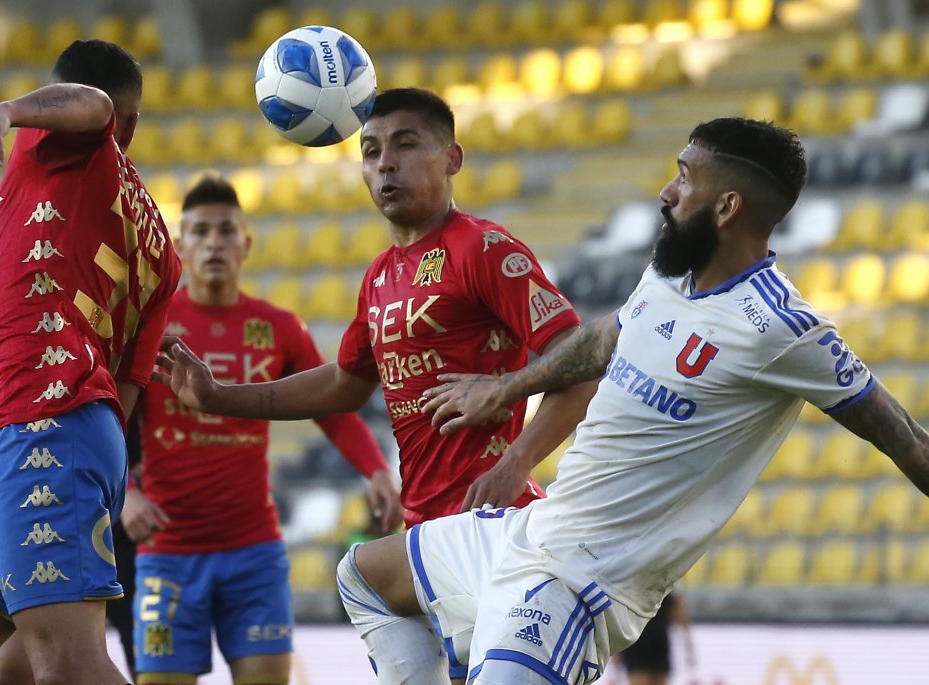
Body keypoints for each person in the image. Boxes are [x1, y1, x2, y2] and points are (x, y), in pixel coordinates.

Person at [314, 117, 929, 685]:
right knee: (364, 576)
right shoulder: (670, 277)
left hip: (578, 584)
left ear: (726, 205)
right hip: (523, 537)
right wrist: (505, 387)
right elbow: (601, 341)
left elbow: (899, 432)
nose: (667, 191)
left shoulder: (782, 330)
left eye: (683, 177)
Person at [152, 87, 598, 682]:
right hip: (426, 534)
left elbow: (579, 362)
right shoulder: (380, 277)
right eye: (370, 150)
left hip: (491, 522)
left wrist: (516, 460)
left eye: (406, 144)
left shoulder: (483, 249)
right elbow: (344, 384)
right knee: (361, 575)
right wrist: (218, 397)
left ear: (453, 159)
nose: (385, 162)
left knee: (359, 575)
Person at [0, 39, 181, 685]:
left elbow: (91, 103)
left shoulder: (65, 139)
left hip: (47, 429)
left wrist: (4, 110)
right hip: (44, 425)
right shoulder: (162, 252)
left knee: (66, 665)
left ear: (118, 124)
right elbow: (124, 382)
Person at [117, 172, 402, 685]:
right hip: (167, 553)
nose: (214, 243)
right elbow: (110, 415)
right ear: (180, 246)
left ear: (245, 244)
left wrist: (378, 470)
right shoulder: (150, 325)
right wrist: (126, 496)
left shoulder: (277, 327)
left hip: (254, 553)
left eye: (226, 230)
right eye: (200, 232)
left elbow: (333, 407)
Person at [0, 412, 141, 684]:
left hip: (120, 506)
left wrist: (132, 486)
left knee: (74, 667)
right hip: (41, 484)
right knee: (15, 670)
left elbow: (126, 396)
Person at [614, 592, 693, 685]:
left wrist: (688, 645)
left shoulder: (667, 585)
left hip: (659, 645)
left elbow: (678, 612)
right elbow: (621, 615)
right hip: (636, 646)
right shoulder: (631, 586)